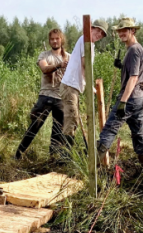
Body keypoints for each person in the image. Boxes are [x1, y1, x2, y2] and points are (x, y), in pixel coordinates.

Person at [97, 18, 143, 165]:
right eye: (119, 31)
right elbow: (136, 73)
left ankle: (91, 169)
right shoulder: (137, 49)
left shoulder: (133, 50)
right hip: (140, 99)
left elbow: (133, 78)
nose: (121, 33)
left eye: (124, 30)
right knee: (139, 135)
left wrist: (123, 102)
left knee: (109, 129)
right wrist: (122, 66)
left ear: (132, 31)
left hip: (130, 98)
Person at [15, 29, 70, 159]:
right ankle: (18, 155)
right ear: (49, 41)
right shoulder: (44, 55)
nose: (55, 41)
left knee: (58, 131)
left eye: (57, 38)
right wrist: (59, 65)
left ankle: (53, 159)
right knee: (34, 127)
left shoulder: (70, 57)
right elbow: (45, 69)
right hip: (45, 97)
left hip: (61, 98)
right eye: (52, 39)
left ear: (61, 39)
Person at [58, 19, 108, 152]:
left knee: (73, 120)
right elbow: (85, 64)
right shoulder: (86, 40)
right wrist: (90, 84)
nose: (99, 35)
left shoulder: (90, 43)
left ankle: (67, 153)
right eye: (98, 31)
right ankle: (66, 156)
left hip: (74, 86)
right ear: (91, 28)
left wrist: (87, 84)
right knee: (72, 120)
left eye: (102, 34)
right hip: (70, 86)